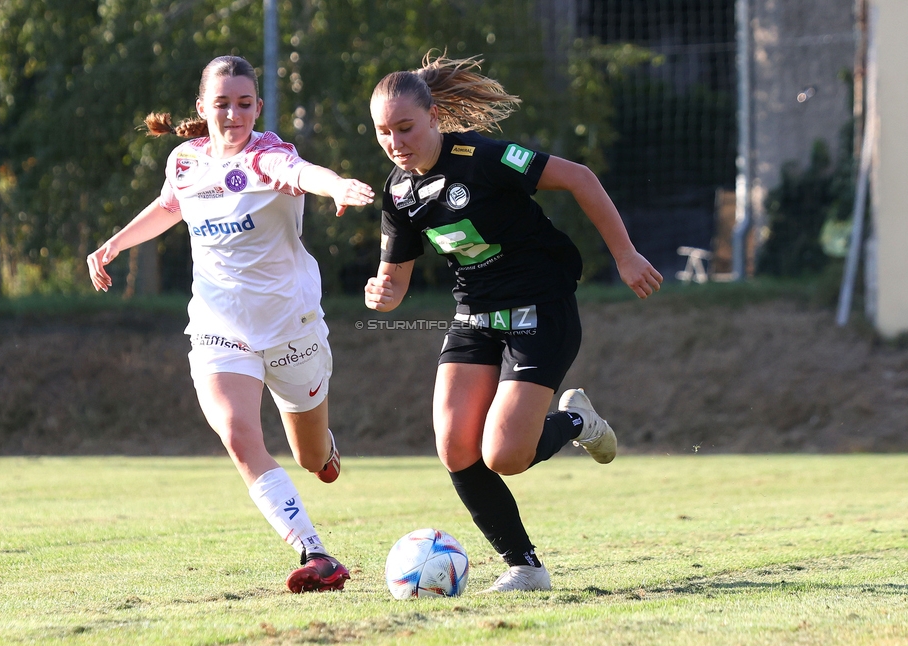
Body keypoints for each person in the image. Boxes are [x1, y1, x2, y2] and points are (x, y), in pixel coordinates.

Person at [364, 52, 663, 592]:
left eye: (405, 128)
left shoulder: (482, 156)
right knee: (456, 447)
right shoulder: (399, 193)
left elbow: (580, 177)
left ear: (433, 118)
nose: (396, 142)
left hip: (541, 310)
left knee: (503, 456)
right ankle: (525, 568)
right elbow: (394, 281)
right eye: (384, 132)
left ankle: (577, 422)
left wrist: (625, 256)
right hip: (474, 316)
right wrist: (382, 295)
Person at [87, 55, 374, 594]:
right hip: (219, 328)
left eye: (245, 103)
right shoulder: (185, 161)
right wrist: (115, 243)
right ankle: (316, 555)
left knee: (311, 458)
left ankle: (324, 449)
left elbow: (299, 173)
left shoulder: (267, 156)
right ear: (203, 108)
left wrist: (333, 186)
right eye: (222, 103)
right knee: (240, 436)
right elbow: (171, 205)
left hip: (291, 327)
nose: (233, 114)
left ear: (258, 107)